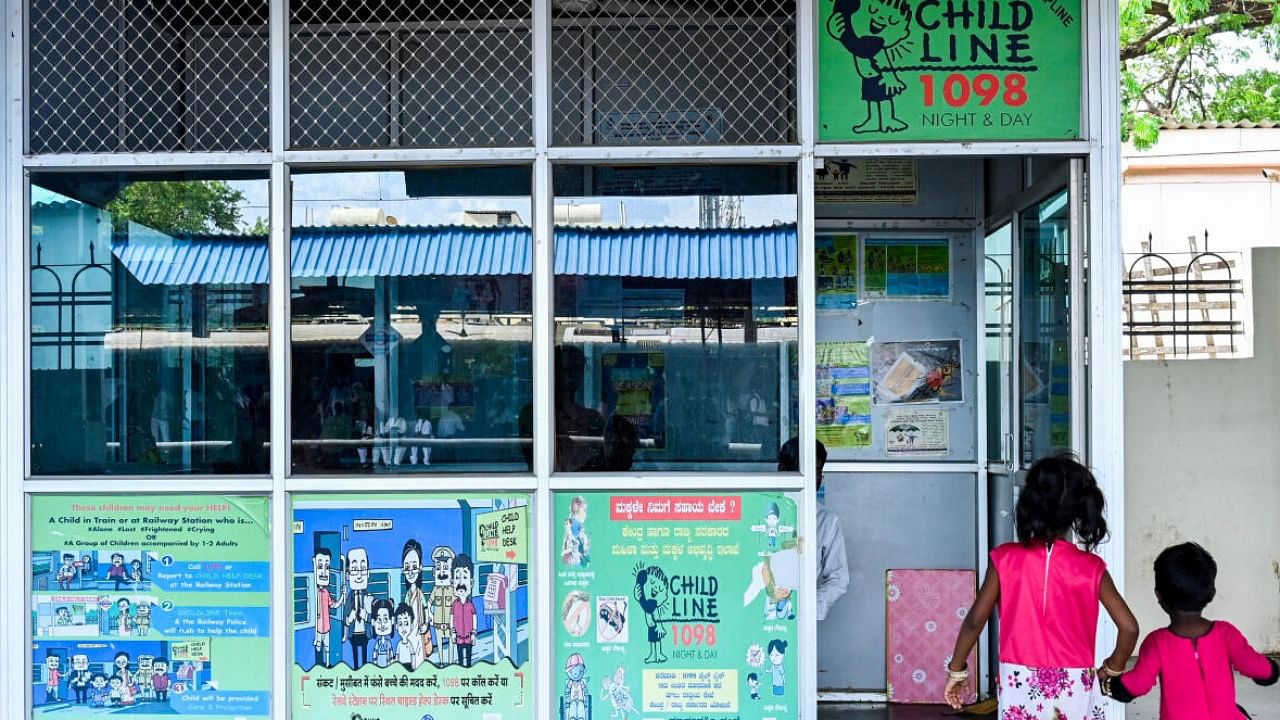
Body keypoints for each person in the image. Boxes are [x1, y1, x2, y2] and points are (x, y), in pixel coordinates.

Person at [943, 455, 1140, 717]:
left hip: (1019, 684)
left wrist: (957, 669)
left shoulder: (1004, 559)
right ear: (1079, 508)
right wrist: (1111, 668)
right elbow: (1129, 628)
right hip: (1075, 686)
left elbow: (975, 620)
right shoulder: (1091, 568)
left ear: (1027, 503)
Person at [1104, 542, 1279, 717]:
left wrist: (1109, 685)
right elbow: (1259, 668)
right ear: (1211, 593)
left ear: (1159, 595)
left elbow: (1138, 684)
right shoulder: (1226, 633)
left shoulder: (1157, 642)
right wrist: (1271, 669)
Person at [778, 438, 848, 621]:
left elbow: (838, 577)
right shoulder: (760, 511)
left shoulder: (826, 521)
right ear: (782, 470)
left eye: (816, 471)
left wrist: (810, 609)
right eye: (800, 470)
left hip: (799, 620)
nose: (810, 478)